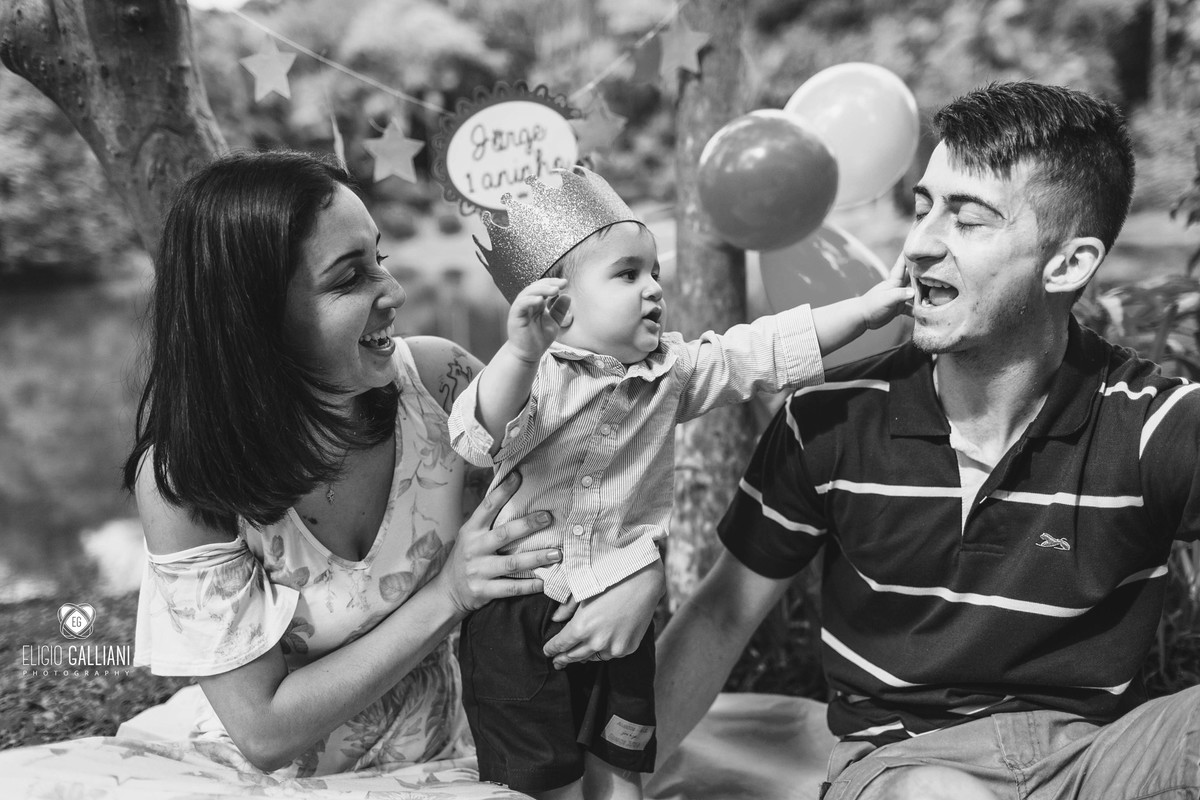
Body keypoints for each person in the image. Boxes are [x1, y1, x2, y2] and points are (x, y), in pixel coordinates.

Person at [633, 80, 1200, 800]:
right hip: (904, 767)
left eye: (968, 220)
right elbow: (720, 616)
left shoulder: (1152, 424)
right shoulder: (830, 418)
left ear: (1067, 265)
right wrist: (611, 783)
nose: (920, 244)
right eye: (923, 206)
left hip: (1096, 759)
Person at [9, 149, 582, 797]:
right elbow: (265, 731)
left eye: (380, 259)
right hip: (261, 782)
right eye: (349, 278)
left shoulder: (441, 383)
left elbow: (573, 487)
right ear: (254, 316)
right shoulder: (187, 482)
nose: (393, 292)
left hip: (453, 752)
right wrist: (449, 593)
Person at [447, 165, 913, 800]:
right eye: (627, 274)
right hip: (523, 614)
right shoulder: (537, 376)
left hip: (619, 604)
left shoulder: (672, 373)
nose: (652, 289)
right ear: (558, 303)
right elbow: (477, 436)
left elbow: (763, 351)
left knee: (622, 765)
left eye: (655, 273)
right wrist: (520, 354)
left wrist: (863, 310)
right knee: (540, 782)